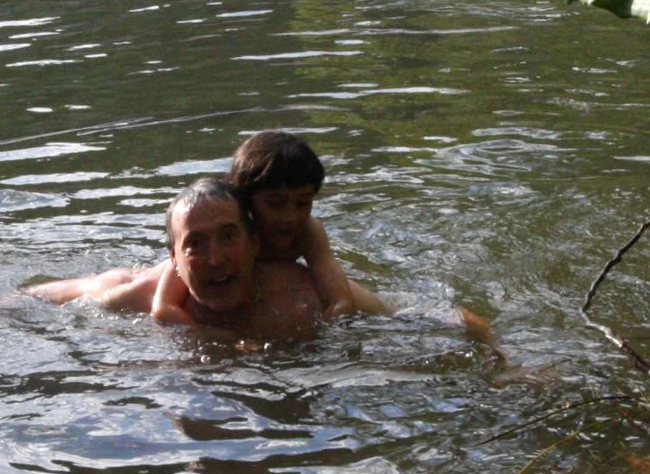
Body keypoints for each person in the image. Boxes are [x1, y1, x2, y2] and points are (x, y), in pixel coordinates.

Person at [23, 177, 323, 342]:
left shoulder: (299, 294)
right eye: (195, 244)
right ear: (174, 260)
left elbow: (367, 307)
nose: (215, 259)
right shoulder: (135, 295)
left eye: (229, 237)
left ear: (254, 243)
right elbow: (28, 298)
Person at [152, 131, 392, 322]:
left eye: (303, 203)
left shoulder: (308, 231)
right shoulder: (221, 237)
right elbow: (163, 307)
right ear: (243, 200)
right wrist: (210, 336)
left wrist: (331, 332)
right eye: (276, 204)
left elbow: (338, 297)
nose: (290, 217)